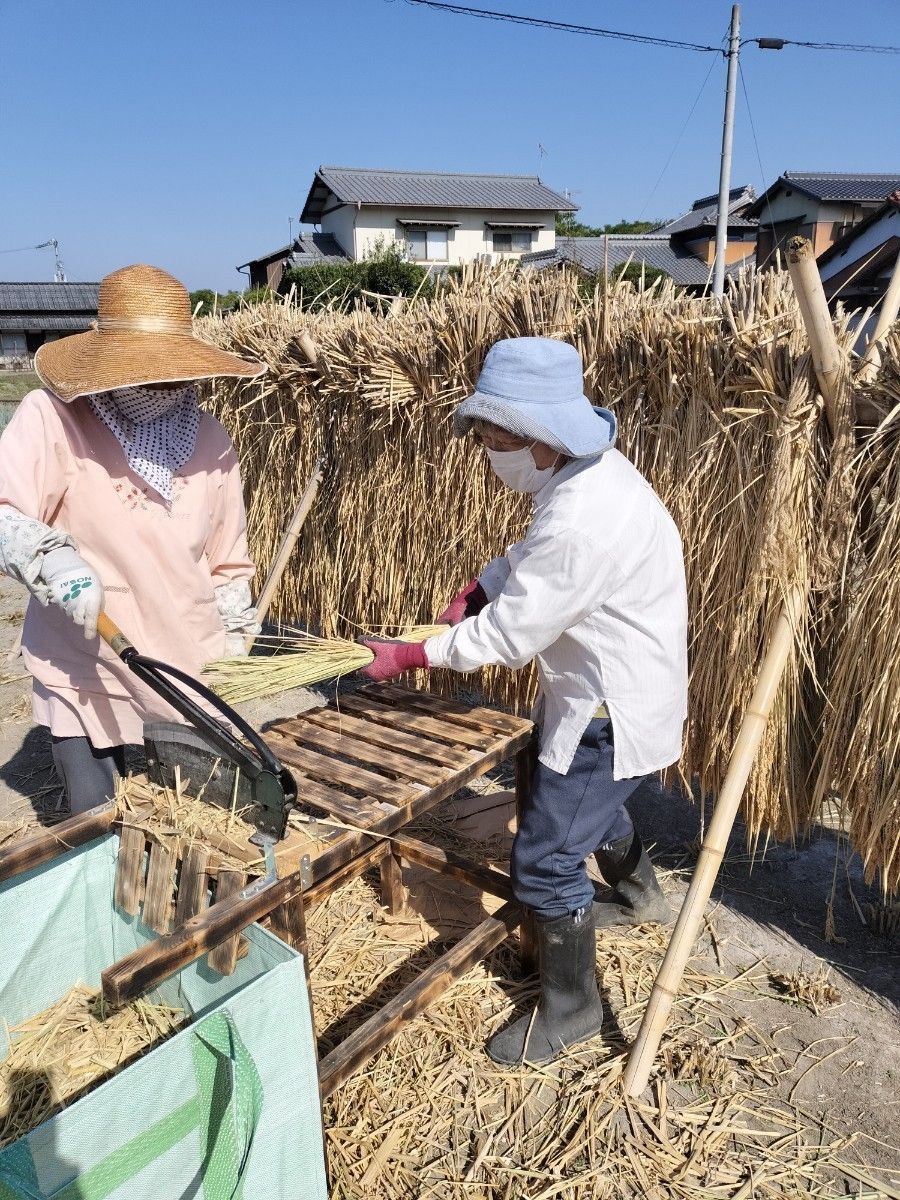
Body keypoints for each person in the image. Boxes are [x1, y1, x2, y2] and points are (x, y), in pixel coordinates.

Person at [361, 336, 688, 1066]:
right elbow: (524, 564)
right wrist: (478, 589)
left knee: (542, 859)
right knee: (583, 800)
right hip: (616, 685)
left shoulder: (583, 521)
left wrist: (414, 653)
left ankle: (572, 1009)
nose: (487, 448)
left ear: (543, 438)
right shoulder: (585, 477)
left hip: (608, 705)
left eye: (497, 436)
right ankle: (638, 899)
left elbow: (509, 637)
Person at [0, 264, 264, 815]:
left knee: (193, 820)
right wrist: (55, 563)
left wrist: (236, 632)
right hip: (87, 653)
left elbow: (228, 559)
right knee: (98, 817)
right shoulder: (53, 417)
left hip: (181, 658)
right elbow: (4, 509)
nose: (162, 387)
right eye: (146, 372)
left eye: (172, 372)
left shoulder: (210, 437)